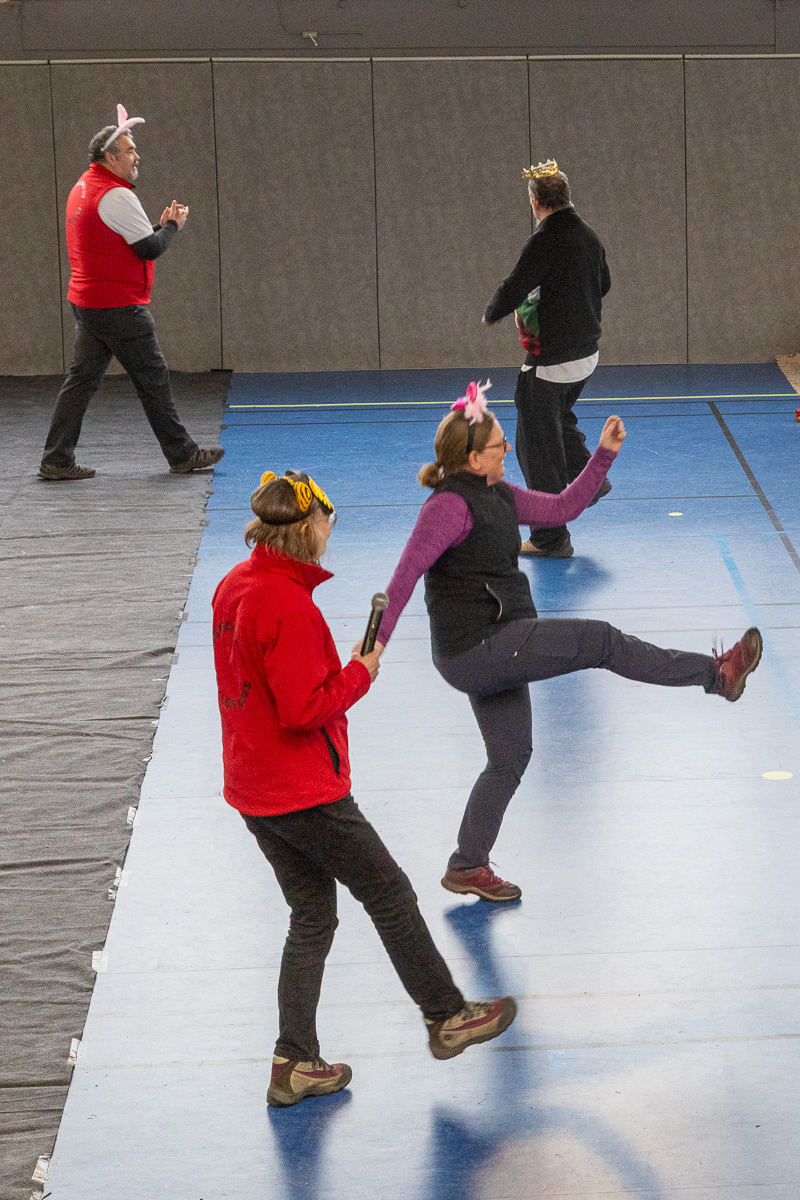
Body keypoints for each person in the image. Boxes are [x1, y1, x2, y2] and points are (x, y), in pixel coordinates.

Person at [371, 382, 763, 903]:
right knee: (601, 640)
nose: (508, 449)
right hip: (481, 647)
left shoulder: (499, 494)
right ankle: (717, 675)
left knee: (509, 756)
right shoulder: (447, 508)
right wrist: (375, 645)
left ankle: (467, 864)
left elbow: (561, 508)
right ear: (472, 458)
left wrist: (603, 455)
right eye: (499, 445)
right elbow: (404, 576)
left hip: (491, 646)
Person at [211, 468, 517, 1108]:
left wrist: (337, 667)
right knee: (390, 894)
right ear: (305, 528)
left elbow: (262, 682)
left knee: (312, 915)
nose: (331, 531)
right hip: (305, 792)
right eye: (327, 521)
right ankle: (446, 1015)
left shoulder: (235, 584)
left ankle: (294, 1061)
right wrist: (359, 672)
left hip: (253, 786)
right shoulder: (289, 606)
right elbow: (302, 709)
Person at [38, 104, 224, 481]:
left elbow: (118, 240)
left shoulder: (83, 187)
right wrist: (172, 226)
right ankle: (182, 453)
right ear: (109, 157)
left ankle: (56, 458)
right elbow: (148, 249)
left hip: (88, 303)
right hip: (118, 306)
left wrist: (158, 226)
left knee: (80, 383)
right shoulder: (116, 196)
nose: (137, 156)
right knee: (152, 379)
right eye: (129, 150)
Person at [482, 159, 611, 558]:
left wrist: (492, 312)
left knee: (535, 447)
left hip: (553, 362)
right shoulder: (589, 236)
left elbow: (515, 284)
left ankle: (550, 539)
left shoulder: (545, 240)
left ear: (536, 203)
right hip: (586, 357)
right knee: (558, 420)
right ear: (566, 196)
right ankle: (591, 481)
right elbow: (604, 284)